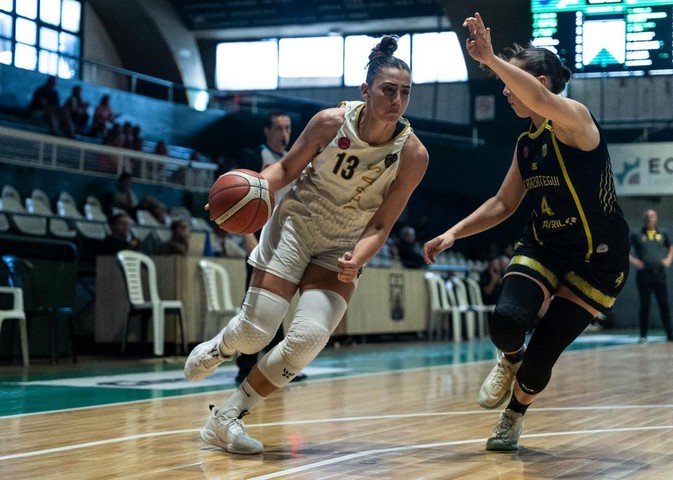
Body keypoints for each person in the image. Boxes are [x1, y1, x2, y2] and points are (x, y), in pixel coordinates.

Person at [184, 35, 428, 455]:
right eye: (389, 90)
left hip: (343, 244)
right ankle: (222, 345)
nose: (397, 100)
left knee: (306, 341)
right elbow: (285, 168)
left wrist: (360, 257)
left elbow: (383, 222)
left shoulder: (413, 154)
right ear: (365, 90)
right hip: (296, 226)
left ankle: (226, 418)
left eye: (405, 93)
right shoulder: (330, 123)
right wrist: (249, 192)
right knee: (255, 333)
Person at [423, 13, 629, 452]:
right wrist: (453, 233)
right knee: (507, 321)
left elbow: (538, 95)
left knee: (541, 362)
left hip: (598, 259)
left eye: (509, 82)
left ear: (536, 81)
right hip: (546, 246)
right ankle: (507, 359)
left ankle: (513, 416)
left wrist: (492, 57)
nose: (503, 91)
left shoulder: (574, 120)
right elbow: (503, 203)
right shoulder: (527, 143)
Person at [234, 110, 302, 384]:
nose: (284, 133)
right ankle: (245, 365)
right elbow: (241, 201)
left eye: (287, 128)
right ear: (267, 131)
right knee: (254, 304)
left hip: (285, 239)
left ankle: (276, 366)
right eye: (278, 128)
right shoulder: (255, 158)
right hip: (259, 237)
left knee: (278, 303)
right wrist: (248, 236)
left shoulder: (294, 159)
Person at [629, 209, 673, 343]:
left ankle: (670, 334)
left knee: (664, 305)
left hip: (660, 274)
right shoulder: (636, 234)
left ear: (656, 219)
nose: (650, 218)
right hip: (644, 275)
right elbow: (624, 248)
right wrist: (633, 261)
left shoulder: (662, 233)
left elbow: (671, 246)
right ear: (644, 218)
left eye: (652, 216)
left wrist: (668, 260)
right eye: (647, 216)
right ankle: (643, 336)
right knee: (645, 305)